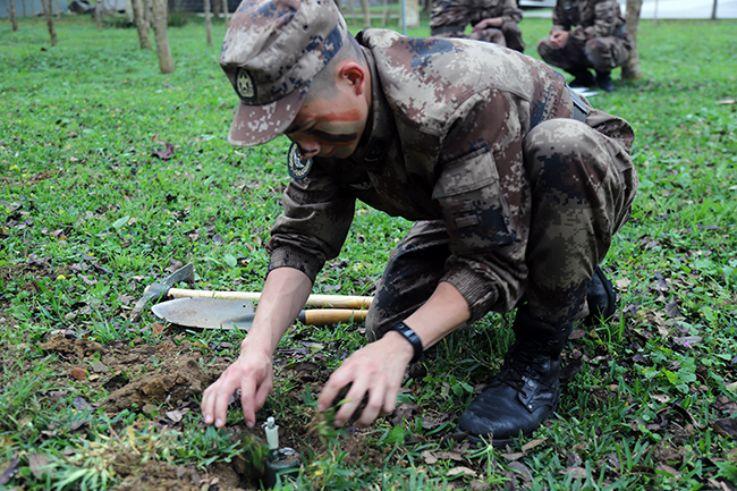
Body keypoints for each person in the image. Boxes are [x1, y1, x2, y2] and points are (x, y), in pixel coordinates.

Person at [201, 0, 637, 446]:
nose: (304, 144)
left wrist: (401, 346)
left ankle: (538, 354)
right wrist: (256, 351)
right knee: (388, 324)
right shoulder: (324, 125)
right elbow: (300, 240)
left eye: (306, 125)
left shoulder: (457, 97)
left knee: (561, 147)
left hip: (579, 173)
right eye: (290, 132)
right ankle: (563, 270)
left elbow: (492, 263)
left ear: (352, 78)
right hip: (480, 197)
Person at [537, 0, 632, 92]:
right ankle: (583, 77)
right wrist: (557, 34)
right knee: (546, 46)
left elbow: (603, 28)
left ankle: (603, 76)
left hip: (614, 44)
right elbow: (559, 22)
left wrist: (570, 35)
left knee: (595, 45)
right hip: (582, 40)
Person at [430, 0, 526, 52]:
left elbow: (515, 15)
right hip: (455, 37)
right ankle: (502, 66)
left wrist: (488, 21)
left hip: (434, 38)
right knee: (496, 35)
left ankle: (514, 57)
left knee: (510, 27)